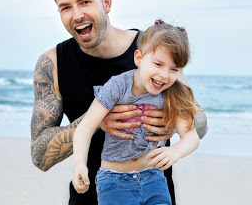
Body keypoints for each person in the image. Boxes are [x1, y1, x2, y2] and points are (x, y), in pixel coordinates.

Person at [30, 0, 208, 205]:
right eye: (65, 7)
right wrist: (96, 120)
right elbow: (39, 156)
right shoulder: (53, 64)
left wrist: (171, 116)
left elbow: (200, 126)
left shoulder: (154, 50)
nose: (77, 14)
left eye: (85, 2)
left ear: (106, 3)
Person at [72, 20, 200, 205]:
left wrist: (176, 151)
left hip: (154, 179)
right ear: (139, 59)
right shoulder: (117, 86)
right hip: (114, 182)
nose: (164, 75)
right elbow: (85, 128)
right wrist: (80, 165)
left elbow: (192, 137)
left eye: (174, 69)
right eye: (158, 64)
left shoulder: (173, 93)